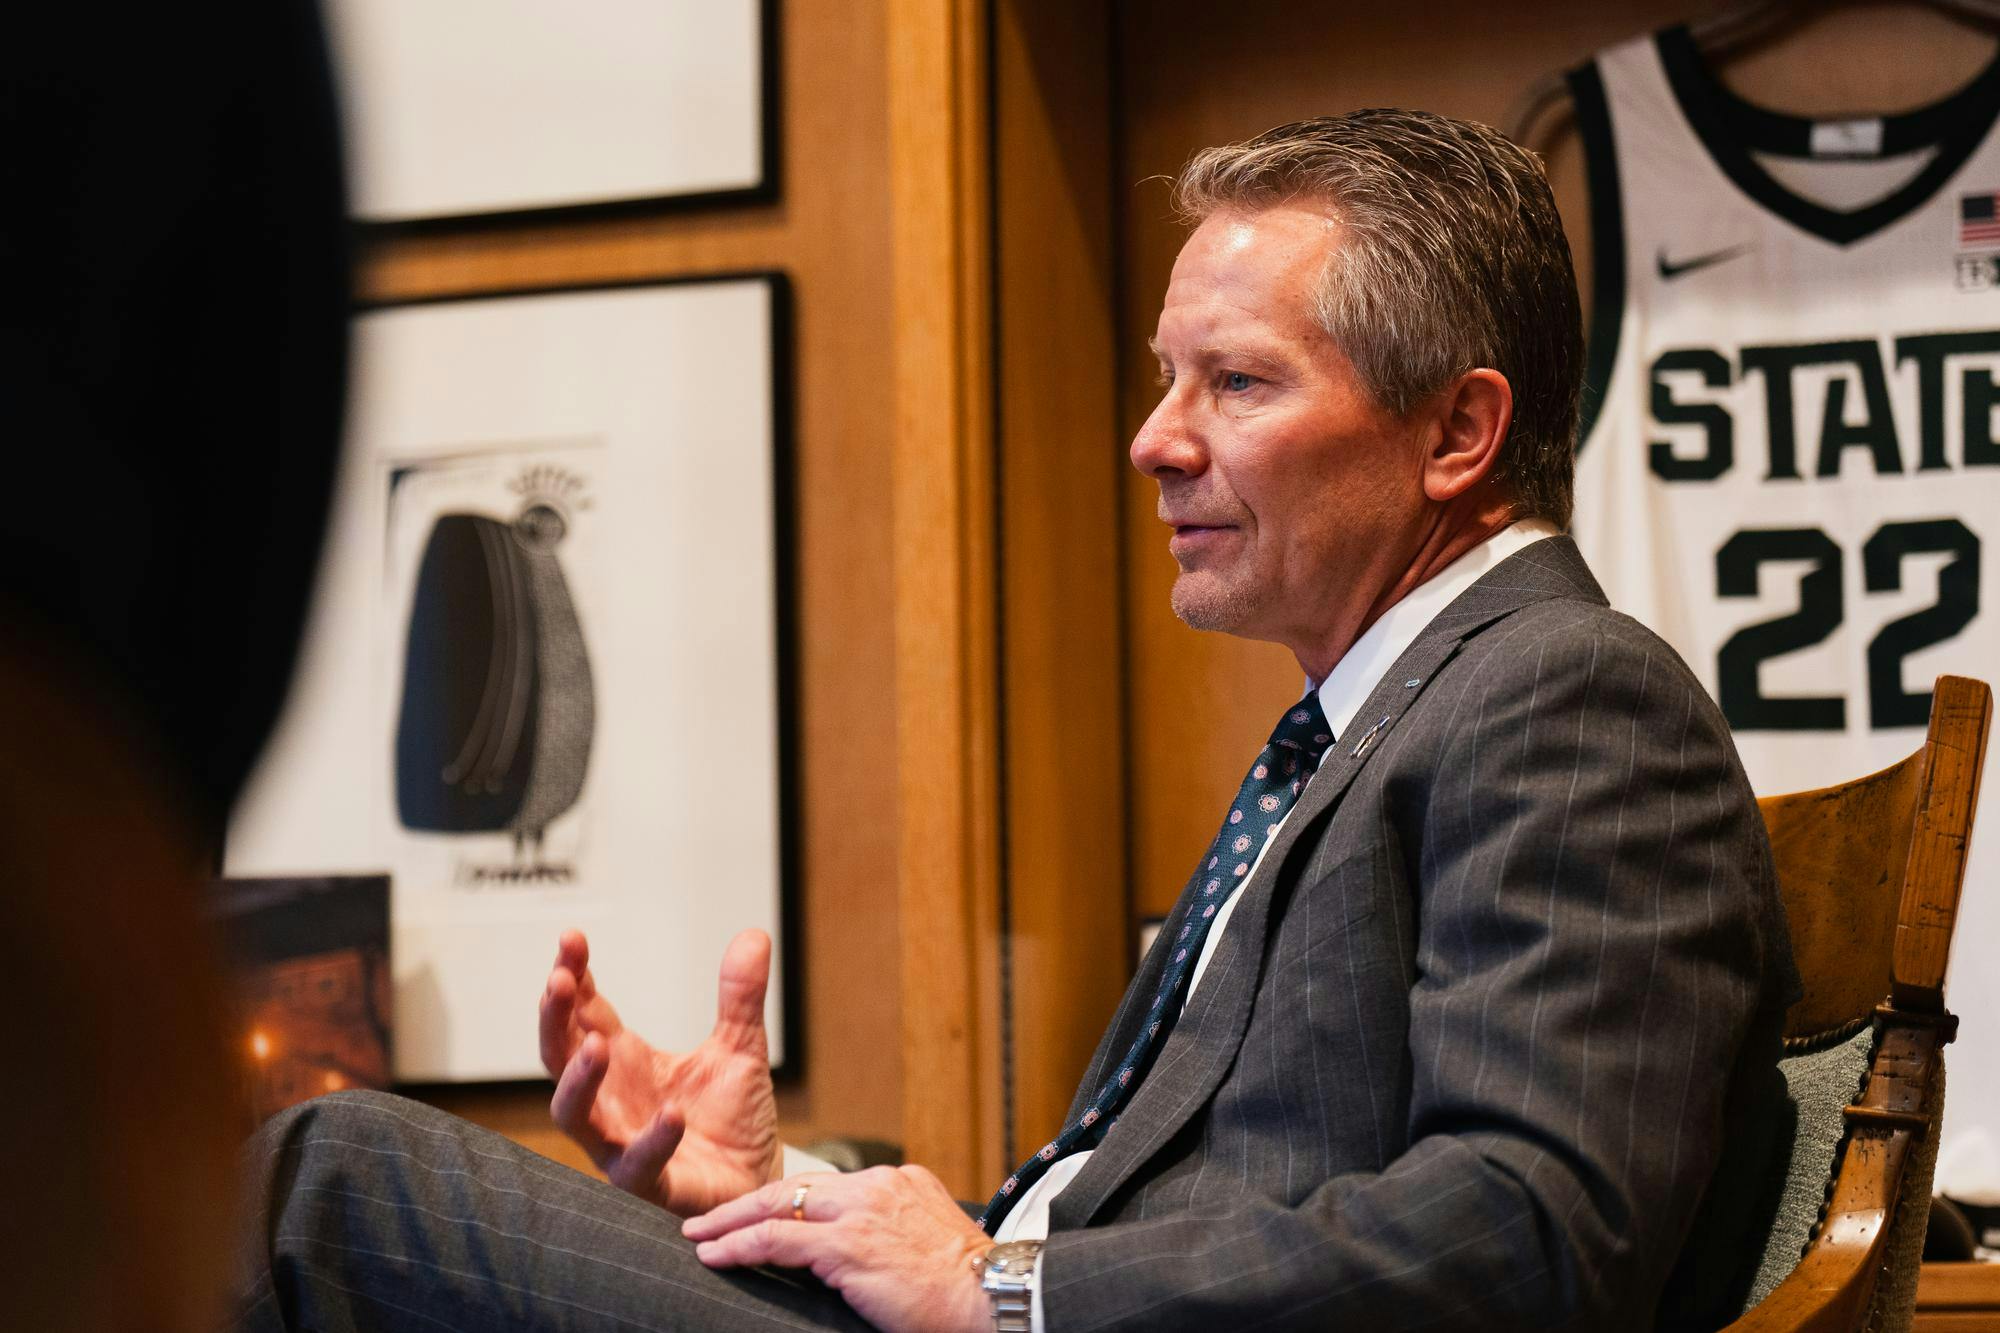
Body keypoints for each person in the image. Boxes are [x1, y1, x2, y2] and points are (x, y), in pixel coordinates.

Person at [236, 109, 1795, 1332]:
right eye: (1165, 378)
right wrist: (787, 1196)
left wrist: (1001, 1292)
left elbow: (1536, 1231)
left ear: (1459, 429)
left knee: (326, 1176)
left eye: (1235, 384)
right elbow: (1102, 1207)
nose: (1152, 440)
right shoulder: (1374, 718)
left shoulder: (1565, 696)